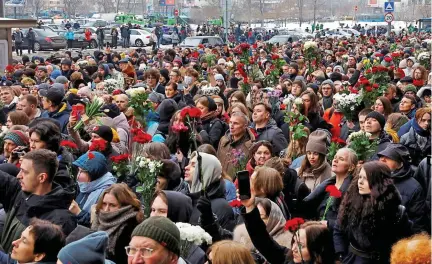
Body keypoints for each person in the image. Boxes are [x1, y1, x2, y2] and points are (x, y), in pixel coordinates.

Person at [334, 161, 412, 263]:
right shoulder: (351, 203)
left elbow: (404, 241)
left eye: (365, 179)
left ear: (378, 182)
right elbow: (339, 229)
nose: (360, 182)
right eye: (360, 177)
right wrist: (342, 254)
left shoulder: (395, 211)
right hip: (353, 259)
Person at [0, 149, 76, 252]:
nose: (19, 176)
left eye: (24, 172)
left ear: (42, 178)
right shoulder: (19, 192)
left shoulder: (61, 221)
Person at [303, 148, 358, 231]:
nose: (335, 160)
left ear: (351, 167)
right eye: (335, 157)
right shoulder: (326, 186)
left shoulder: (352, 191)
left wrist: (329, 224)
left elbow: (352, 223)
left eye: (341, 159)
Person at [378, 144, 426, 232]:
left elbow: (417, 223)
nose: (382, 159)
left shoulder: (414, 188)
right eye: (381, 156)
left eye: (389, 157)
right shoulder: (371, 179)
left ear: (400, 163)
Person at [91, 183, 144, 264]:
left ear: (124, 206)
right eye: (104, 204)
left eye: (112, 205)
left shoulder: (131, 225)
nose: (106, 209)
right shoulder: (98, 218)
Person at [150, 190, 206, 264]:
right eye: (153, 210)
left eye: (162, 211)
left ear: (177, 213)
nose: (154, 215)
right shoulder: (145, 242)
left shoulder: (195, 255)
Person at [185, 152, 235, 230]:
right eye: (189, 164)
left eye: (194, 165)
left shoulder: (222, 207)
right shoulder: (184, 199)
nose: (186, 167)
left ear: (207, 171)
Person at [69, 151, 116, 227]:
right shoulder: (86, 186)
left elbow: (101, 225)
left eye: (83, 172)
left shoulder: (107, 193)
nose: (78, 176)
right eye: (78, 170)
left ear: (94, 173)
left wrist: (79, 213)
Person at [28, 120, 75, 189]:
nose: (32, 145)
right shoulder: (41, 156)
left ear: (49, 143)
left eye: (37, 141)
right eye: (31, 140)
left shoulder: (62, 162)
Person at [0, 218, 65, 264]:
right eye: (20, 237)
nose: (14, 242)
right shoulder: (23, 259)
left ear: (38, 256)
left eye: (24, 241)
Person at [217, 112, 255, 177]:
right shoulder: (223, 140)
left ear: (245, 126)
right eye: (230, 122)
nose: (231, 126)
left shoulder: (250, 146)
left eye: (235, 123)